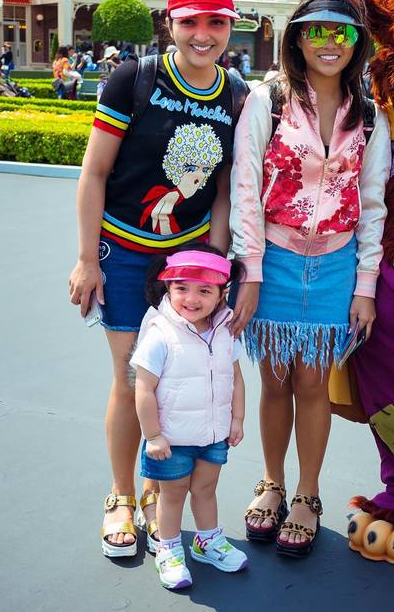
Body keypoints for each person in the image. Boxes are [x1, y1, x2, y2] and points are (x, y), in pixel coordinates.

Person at [68, 0, 246, 560]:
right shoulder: (134, 78)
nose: (203, 34)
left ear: (231, 25)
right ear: (169, 23)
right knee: (132, 378)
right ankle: (122, 494)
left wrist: (215, 265)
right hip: (122, 253)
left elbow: (223, 190)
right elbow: (94, 173)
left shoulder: (236, 94)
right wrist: (86, 259)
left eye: (216, 22)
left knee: (180, 377)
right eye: (190, 21)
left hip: (188, 259)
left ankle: (155, 485)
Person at [230, 0, 391, 556]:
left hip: (335, 265)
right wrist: (250, 272)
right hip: (273, 260)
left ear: (357, 42)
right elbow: (245, 188)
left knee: (312, 384)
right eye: (315, 29)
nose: (329, 42)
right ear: (297, 38)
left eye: (341, 31)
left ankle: (307, 493)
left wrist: (366, 287)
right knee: (275, 381)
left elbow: (373, 204)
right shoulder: (267, 101)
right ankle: (271, 483)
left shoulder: (369, 114)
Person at [132, 244, 247, 589]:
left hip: (213, 435)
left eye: (204, 291)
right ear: (168, 287)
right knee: (173, 494)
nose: (192, 299)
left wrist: (236, 420)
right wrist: (153, 436)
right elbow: (143, 389)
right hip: (171, 439)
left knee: (206, 488)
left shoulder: (225, 330)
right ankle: (168, 550)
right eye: (182, 288)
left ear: (222, 293)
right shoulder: (160, 333)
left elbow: (235, 377)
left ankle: (207, 541)